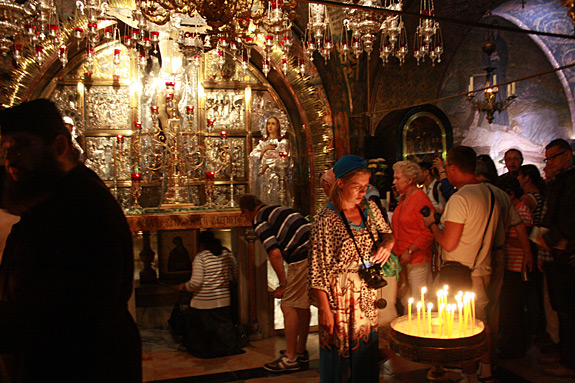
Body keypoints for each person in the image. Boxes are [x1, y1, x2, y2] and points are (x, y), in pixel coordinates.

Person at [0, 99, 141, 382]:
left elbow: (68, 313)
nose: (10, 159)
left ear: (59, 147)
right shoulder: (51, 199)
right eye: (5, 149)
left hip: (84, 365)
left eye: (22, 145)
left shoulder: (84, 210)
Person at [309, 155, 395, 382]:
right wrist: (325, 309)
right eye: (357, 187)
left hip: (365, 290)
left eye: (366, 187)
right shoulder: (325, 219)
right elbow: (318, 269)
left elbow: (387, 233)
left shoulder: (369, 209)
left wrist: (388, 243)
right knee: (336, 353)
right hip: (338, 293)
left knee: (366, 349)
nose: (362, 193)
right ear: (340, 183)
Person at [422, 146, 500, 383]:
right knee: (481, 321)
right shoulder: (490, 193)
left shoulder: (461, 198)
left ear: (453, 168)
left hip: (461, 272)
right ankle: (484, 369)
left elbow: (449, 242)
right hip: (483, 266)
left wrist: (431, 224)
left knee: (465, 326)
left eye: (446, 169)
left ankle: (469, 374)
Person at [238, 194, 311, 372]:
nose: (246, 218)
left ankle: (290, 358)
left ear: (247, 211)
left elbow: (274, 253)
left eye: (244, 214)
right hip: (317, 252)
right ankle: (300, 350)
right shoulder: (278, 209)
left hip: (303, 257)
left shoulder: (260, 218)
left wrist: (283, 284)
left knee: (289, 306)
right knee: (301, 305)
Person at [533, 138, 575, 379]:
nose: (549, 163)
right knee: (559, 307)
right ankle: (563, 352)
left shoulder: (570, 181)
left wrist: (552, 240)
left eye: (554, 157)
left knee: (568, 309)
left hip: (565, 252)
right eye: (547, 158)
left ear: (568, 155)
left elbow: (568, 216)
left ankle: (570, 361)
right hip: (553, 252)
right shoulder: (557, 182)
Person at [177, 230, 242, 358]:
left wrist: (184, 286)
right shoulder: (227, 255)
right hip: (223, 300)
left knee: (201, 331)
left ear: (201, 244)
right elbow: (235, 274)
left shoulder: (201, 257)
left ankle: (205, 352)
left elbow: (196, 282)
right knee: (222, 329)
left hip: (202, 303)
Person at [497, 174, 533, 359]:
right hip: (510, 264)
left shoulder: (521, 210)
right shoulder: (515, 208)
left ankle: (516, 347)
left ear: (510, 194)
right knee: (510, 306)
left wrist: (503, 239)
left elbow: (524, 240)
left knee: (515, 307)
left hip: (517, 265)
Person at [391, 160, 435, 309]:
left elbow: (429, 232)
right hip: (403, 259)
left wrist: (410, 250)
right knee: (406, 300)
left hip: (417, 261)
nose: (394, 182)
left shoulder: (421, 200)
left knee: (418, 303)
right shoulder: (403, 199)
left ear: (410, 180)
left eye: (397, 178)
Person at [249, 117, 291, 206]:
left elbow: (284, 159)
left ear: (278, 126)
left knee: (277, 200)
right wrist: (264, 150)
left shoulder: (283, 143)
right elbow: (252, 156)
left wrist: (267, 165)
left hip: (277, 177)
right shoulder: (263, 144)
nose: (270, 126)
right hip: (264, 178)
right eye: (268, 123)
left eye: (273, 123)